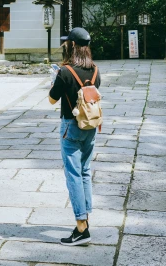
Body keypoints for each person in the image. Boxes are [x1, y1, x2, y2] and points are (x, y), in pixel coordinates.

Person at [48, 27, 101, 246]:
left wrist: (54, 80)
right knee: (85, 171)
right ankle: (85, 217)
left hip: (71, 126)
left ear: (71, 45)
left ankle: (81, 228)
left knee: (73, 175)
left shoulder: (66, 71)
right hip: (90, 126)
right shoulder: (96, 70)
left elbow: (52, 99)